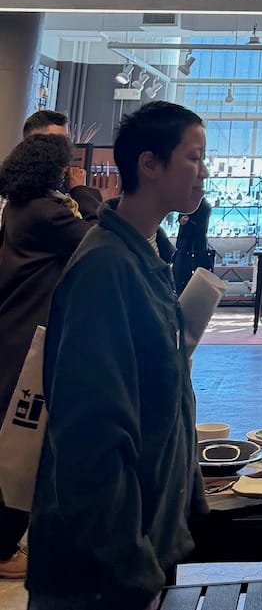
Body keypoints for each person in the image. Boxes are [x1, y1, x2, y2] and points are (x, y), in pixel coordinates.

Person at [27, 101, 209, 610]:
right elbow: (92, 436)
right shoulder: (106, 267)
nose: (204, 172)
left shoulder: (147, 255)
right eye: (194, 158)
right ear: (149, 164)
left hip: (140, 543)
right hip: (99, 573)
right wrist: (131, 567)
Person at [0, 133, 101, 579]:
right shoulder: (47, 212)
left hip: (13, 329)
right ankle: (5, 548)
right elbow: (100, 242)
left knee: (15, 437)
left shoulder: (18, 208)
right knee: (22, 440)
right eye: (66, 165)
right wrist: (83, 190)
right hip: (30, 340)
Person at [171, 196, 212, 294]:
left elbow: (202, 228)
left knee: (192, 276)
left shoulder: (203, 205)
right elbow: (181, 218)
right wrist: (182, 220)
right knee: (179, 273)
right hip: (184, 244)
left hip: (196, 246)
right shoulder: (186, 202)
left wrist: (188, 221)